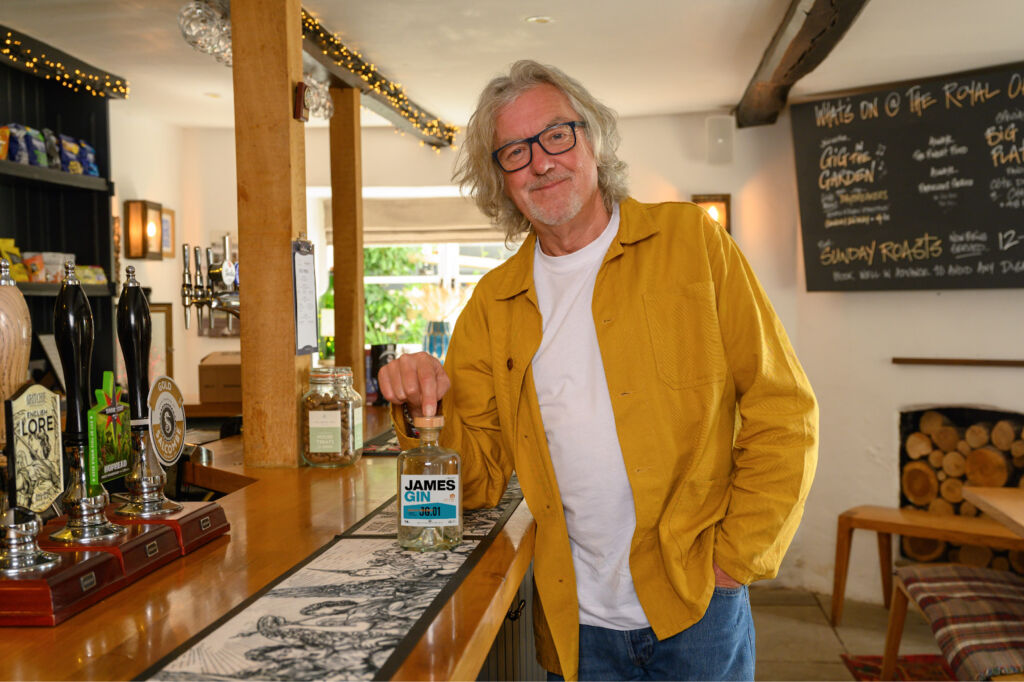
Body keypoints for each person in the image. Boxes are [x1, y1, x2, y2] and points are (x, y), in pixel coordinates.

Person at [378, 60, 818, 682]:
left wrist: (734, 562)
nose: (540, 161)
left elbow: (785, 409)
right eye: (513, 151)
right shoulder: (491, 304)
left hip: (698, 606)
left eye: (557, 135)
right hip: (574, 624)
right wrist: (426, 410)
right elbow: (473, 484)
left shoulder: (693, 242)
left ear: (592, 140)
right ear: (499, 180)